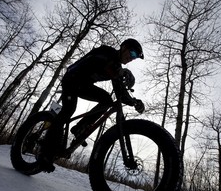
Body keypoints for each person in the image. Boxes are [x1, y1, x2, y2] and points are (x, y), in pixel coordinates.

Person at [40, 38, 145, 172]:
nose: (132, 58)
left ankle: (80, 127)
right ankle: (45, 155)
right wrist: (119, 72)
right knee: (68, 110)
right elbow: (96, 61)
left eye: (135, 57)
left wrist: (134, 102)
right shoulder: (106, 52)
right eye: (132, 53)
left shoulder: (117, 67)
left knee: (107, 100)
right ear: (123, 47)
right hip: (72, 78)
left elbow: (120, 93)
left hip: (84, 85)